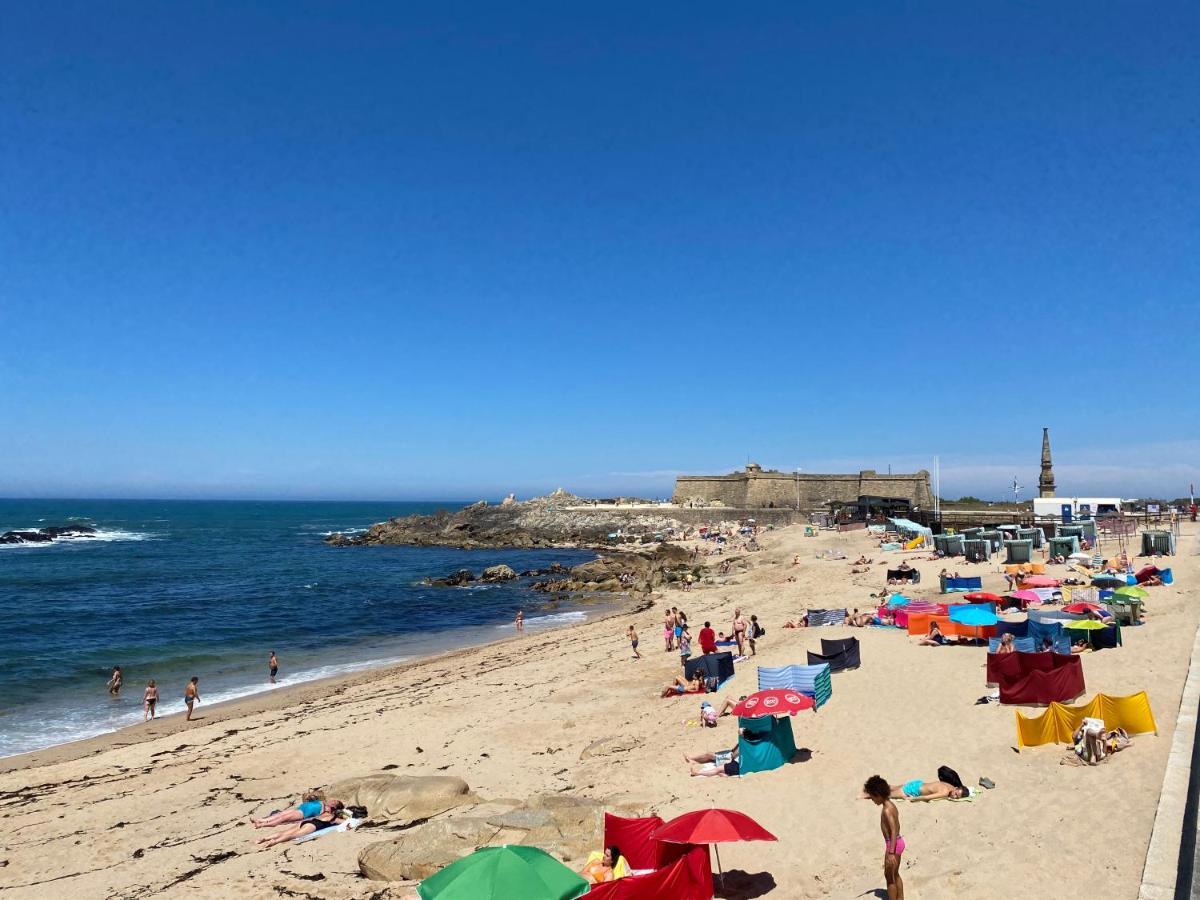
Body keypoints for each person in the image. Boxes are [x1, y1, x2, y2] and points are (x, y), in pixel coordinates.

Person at [862, 775, 905, 900]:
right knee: (895, 874)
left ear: (879, 795)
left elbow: (893, 830)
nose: (872, 800)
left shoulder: (886, 810)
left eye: (873, 798)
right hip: (898, 842)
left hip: (893, 844)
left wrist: (891, 852)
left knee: (889, 878)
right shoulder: (890, 804)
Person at [255, 801, 347, 847]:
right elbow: (347, 823)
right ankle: (274, 842)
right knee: (292, 835)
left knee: (284, 832)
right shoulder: (334, 818)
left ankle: (264, 838)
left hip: (305, 822)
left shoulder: (323, 812)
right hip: (313, 825)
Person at [252, 794, 341, 829]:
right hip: (301, 808)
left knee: (283, 818)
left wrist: (323, 807)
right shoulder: (323, 802)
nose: (332, 801)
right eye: (334, 800)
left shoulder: (328, 810)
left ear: (335, 806)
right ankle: (261, 820)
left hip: (303, 813)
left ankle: (262, 824)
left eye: (335, 802)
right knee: (280, 814)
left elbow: (322, 816)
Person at [861, 778, 968, 802]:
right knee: (887, 794)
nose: (954, 796)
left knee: (893, 787)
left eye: (956, 796)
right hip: (913, 790)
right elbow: (927, 797)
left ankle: (871, 786)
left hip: (918, 783)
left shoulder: (950, 786)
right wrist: (914, 799)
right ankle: (867, 795)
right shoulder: (945, 792)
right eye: (956, 793)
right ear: (957, 789)